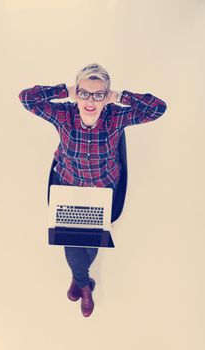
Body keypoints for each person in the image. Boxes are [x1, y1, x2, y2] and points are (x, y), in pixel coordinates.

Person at [18, 63, 167, 317]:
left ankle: (80, 280)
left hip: (102, 189)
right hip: (69, 185)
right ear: (77, 93)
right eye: (85, 93)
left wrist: (120, 97)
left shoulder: (115, 116)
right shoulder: (64, 114)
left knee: (92, 238)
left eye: (99, 94)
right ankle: (85, 286)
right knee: (72, 239)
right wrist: (65, 90)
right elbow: (26, 99)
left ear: (106, 96)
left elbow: (158, 109)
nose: (91, 100)